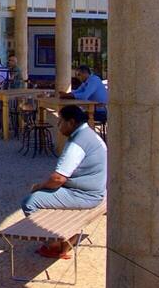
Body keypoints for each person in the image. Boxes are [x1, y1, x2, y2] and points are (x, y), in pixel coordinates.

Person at [20, 105, 108, 259]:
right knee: (46, 194)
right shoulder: (90, 134)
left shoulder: (77, 143)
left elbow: (58, 179)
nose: (58, 125)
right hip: (96, 190)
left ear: (71, 122)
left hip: (85, 195)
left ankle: (54, 242)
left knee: (30, 201)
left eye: (61, 121)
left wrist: (38, 187)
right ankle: (63, 236)